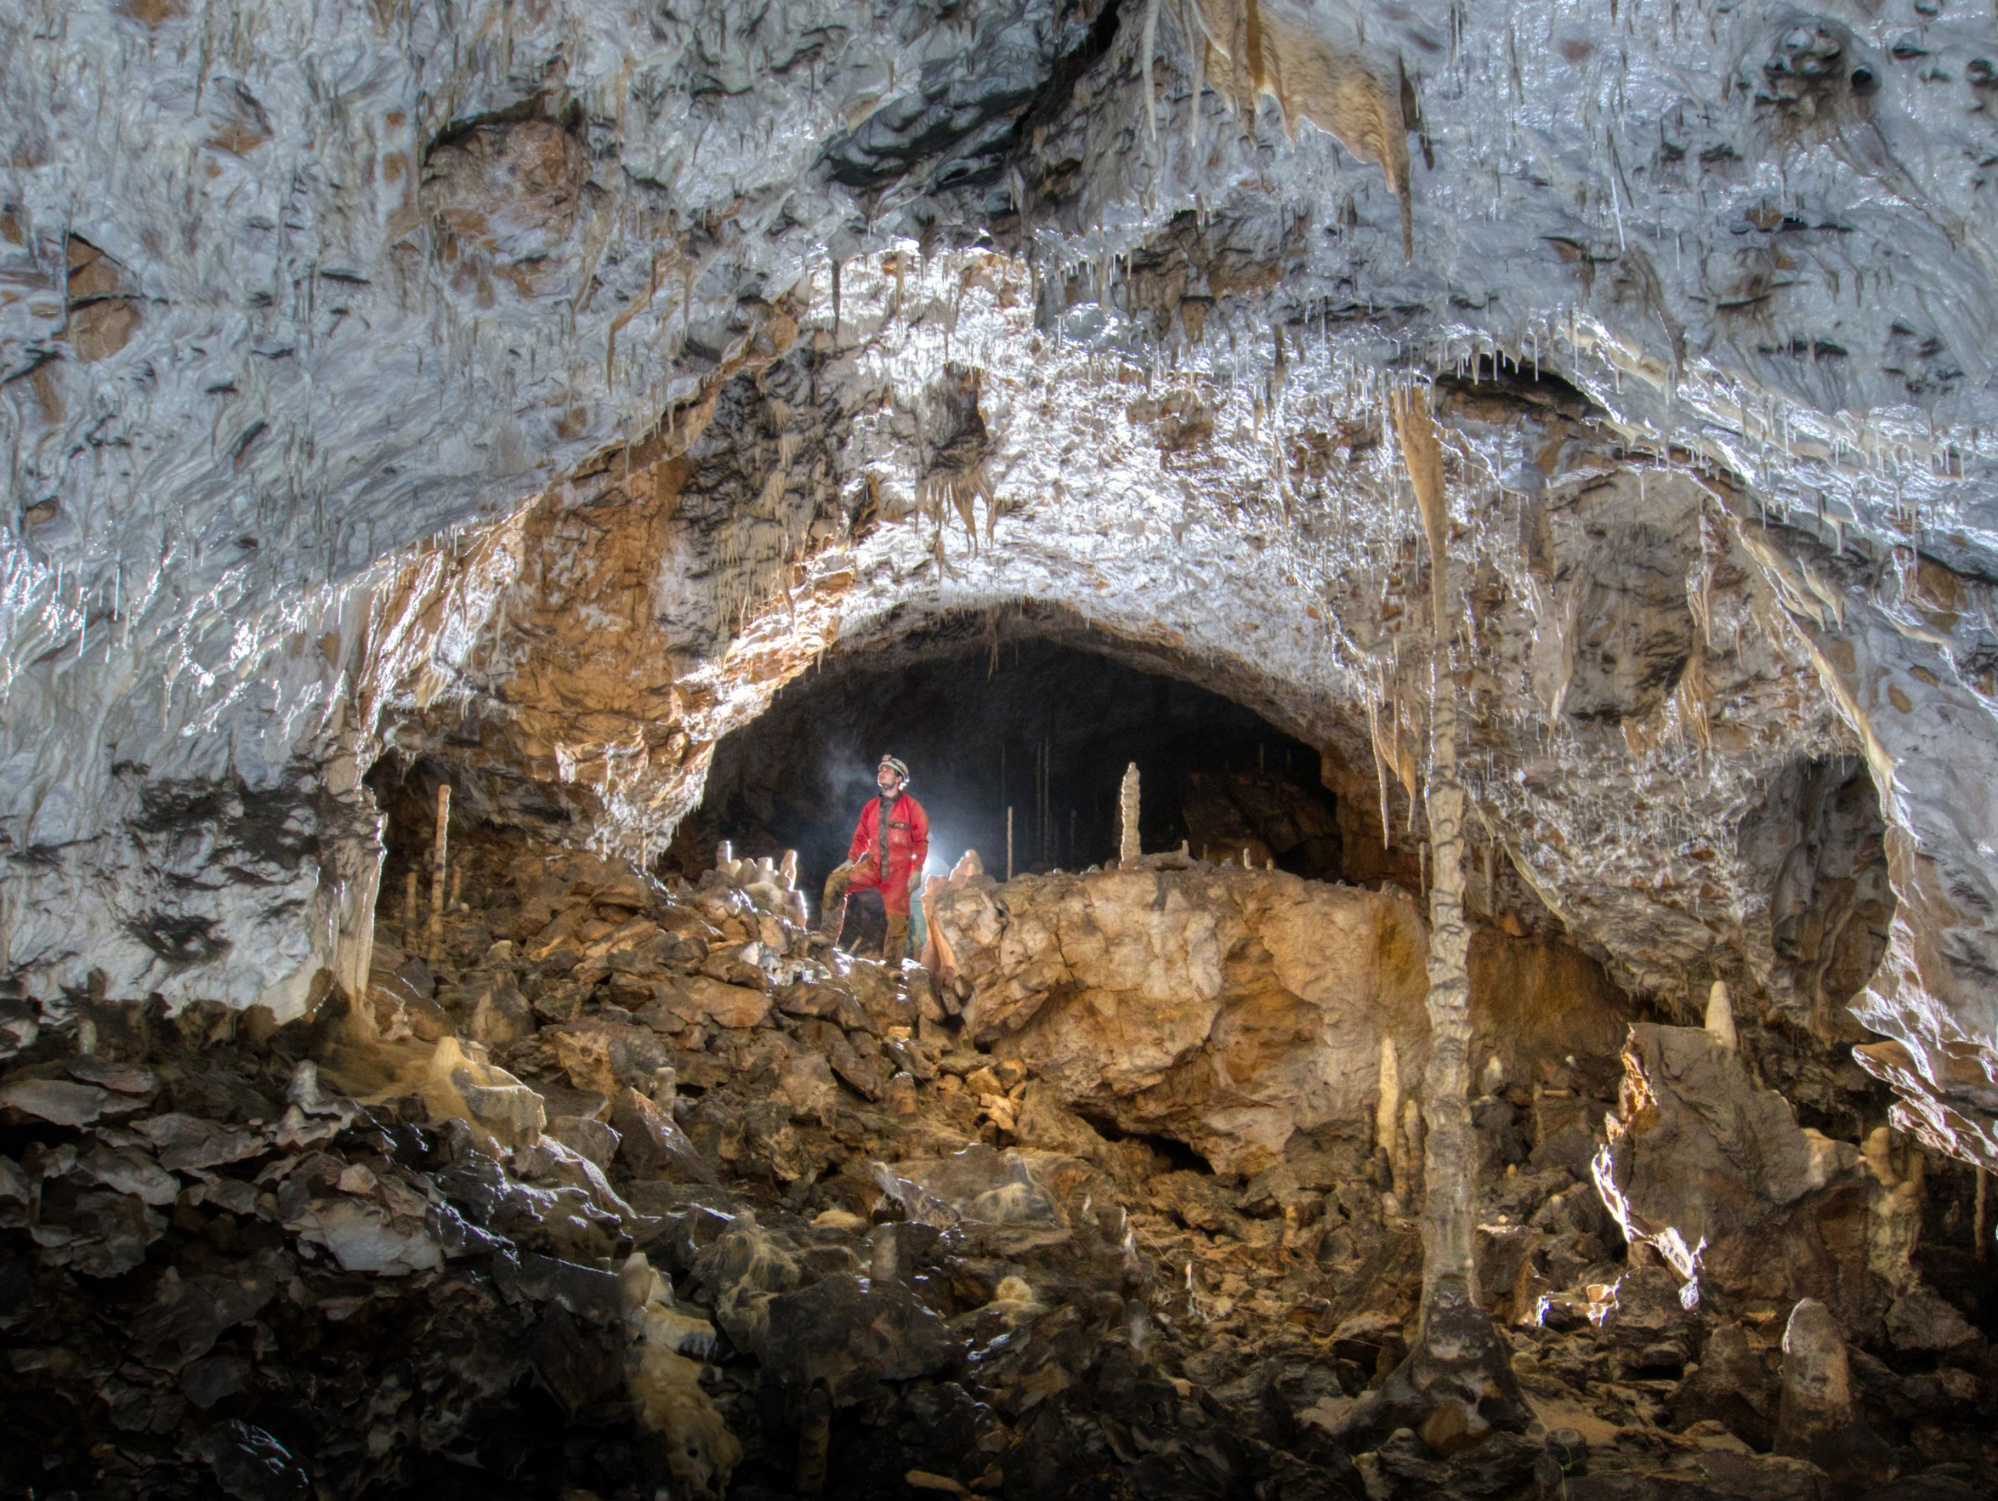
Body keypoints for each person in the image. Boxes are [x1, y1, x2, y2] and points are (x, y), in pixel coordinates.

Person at [820, 755, 929, 958]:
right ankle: (827, 937)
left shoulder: (912, 808)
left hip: (899, 872)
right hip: (873, 865)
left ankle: (893, 966)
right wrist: (851, 859)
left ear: (899, 778)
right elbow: (862, 837)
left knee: (898, 922)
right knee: (836, 882)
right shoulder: (871, 807)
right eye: (881, 770)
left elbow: (921, 841)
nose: (882, 773)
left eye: (888, 770)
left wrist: (918, 869)